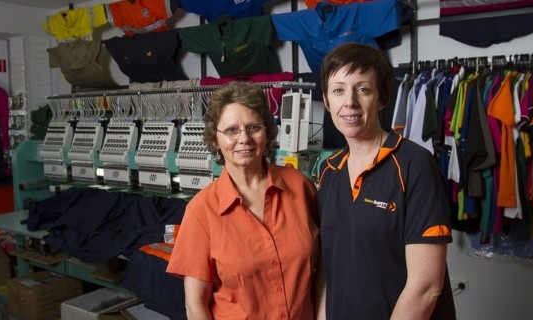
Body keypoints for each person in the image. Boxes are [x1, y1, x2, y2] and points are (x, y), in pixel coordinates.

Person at [317, 42, 456, 319]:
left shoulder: (414, 165)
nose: (350, 102)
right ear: (327, 100)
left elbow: (426, 287)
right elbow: (328, 269)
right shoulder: (328, 171)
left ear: (381, 98)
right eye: (338, 90)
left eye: (363, 89)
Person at [166, 81, 321, 319]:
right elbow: (195, 303)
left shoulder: (300, 188)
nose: (244, 139)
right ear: (216, 140)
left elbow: (324, 269)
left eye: (253, 127)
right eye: (231, 130)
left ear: (266, 132)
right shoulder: (201, 210)